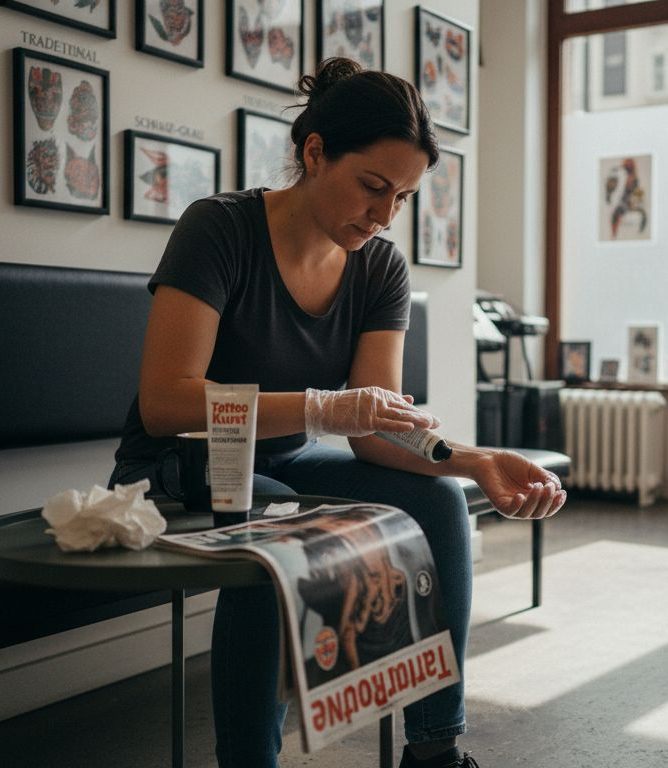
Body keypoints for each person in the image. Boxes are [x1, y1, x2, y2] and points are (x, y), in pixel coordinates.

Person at [109, 57, 567, 768]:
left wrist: (473, 460)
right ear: (314, 152)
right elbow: (166, 400)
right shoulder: (220, 230)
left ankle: (435, 751)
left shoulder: (379, 267)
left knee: (439, 501)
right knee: (282, 526)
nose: (385, 215)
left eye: (405, 197)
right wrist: (328, 408)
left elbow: (377, 430)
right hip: (179, 467)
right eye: (373, 187)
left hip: (286, 465)